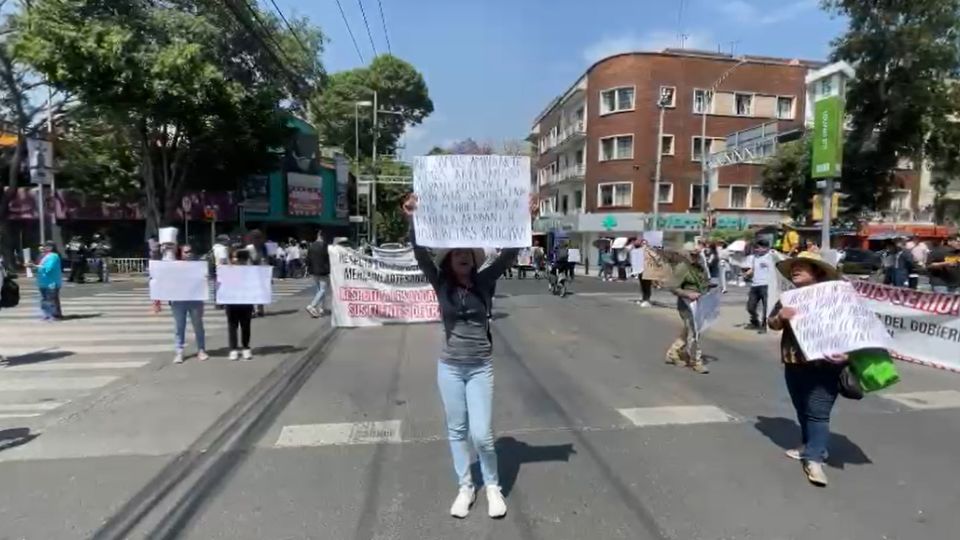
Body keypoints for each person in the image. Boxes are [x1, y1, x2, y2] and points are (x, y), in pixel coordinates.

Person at [402, 192, 536, 520]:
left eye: (467, 253)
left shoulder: (484, 282)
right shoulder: (440, 283)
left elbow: (508, 254)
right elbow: (420, 253)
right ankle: (465, 487)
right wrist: (411, 219)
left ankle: (492, 486)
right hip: (449, 368)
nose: (462, 256)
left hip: (479, 368)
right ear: (449, 260)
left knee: (482, 434)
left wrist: (525, 218)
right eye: (457, 253)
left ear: (474, 260)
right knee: (457, 431)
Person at [767, 251, 846, 487]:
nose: (795, 270)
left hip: (825, 365)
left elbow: (853, 326)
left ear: (818, 272)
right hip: (794, 363)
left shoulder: (836, 297)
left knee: (817, 412)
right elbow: (771, 323)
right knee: (802, 409)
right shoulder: (788, 297)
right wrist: (781, 316)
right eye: (794, 267)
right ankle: (810, 445)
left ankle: (814, 460)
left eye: (802, 266)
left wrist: (847, 352)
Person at [160, 242, 209, 364]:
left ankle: (201, 350)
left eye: (191, 251)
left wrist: (205, 277)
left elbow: (205, 279)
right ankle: (179, 351)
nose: (189, 254)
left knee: (198, 326)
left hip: (195, 300)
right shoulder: (175, 266)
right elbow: (163, 269)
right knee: (179, 327)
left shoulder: (198, 266)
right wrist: (166, 251)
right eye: (186, 252)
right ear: (181, 254)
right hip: (178, 300)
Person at [665, 244, 710, 374]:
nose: (695, 257)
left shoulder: (700, 267)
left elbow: (705, 282)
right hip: (686, 303)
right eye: (692, 254)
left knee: (688, 330)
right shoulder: (682, 268)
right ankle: (696, 361)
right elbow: (673, 287)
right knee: (694, 332)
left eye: (697, 254)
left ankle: (673, 353)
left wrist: (708, 289)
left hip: (699, 302)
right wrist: (687, 294)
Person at [225, 244, 255, 360]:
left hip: (246, 302)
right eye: (233, 257)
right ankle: (233, 349)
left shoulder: (250, 270)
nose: (235, 260)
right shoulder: (227, 271)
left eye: (237, 257)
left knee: (245, 325)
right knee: (232, 326)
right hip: (232, 302)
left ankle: (246, 347)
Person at [743, 239, 774, 333]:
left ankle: (765, 326)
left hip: (767, 285)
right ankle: (755, 321)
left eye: (758, 248)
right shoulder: (754, 257)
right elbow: (753, 269)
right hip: (755, 285)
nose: (756, 249)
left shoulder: (771, 256)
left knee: (766, 308)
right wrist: (747, 274)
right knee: (750, 307)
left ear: (765, 248)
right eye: (756, 248)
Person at [29, 241, 62, 322]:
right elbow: (39, 267)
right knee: (44, 299)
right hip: (43, 281)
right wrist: (32, 266)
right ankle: (47, 314)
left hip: (51, 282)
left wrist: (35, 266)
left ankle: (55, 315)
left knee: (51, 299)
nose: (46, 247)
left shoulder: (54, 256)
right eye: (45, 246)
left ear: (52, 247)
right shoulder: (43, 256)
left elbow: (48, 268)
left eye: (48, 246)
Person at [305, 232, 330, 318]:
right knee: (322, 290)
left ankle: (321, 308)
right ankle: (312, 306)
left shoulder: (311, 246)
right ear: (323, 237)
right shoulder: (325, 246)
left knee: (319, 290)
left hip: (314, 271)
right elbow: (328, 259)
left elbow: (307, 259)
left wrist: (308, 269)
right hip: (323, 271)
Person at [629, 238, 652, 307]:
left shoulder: (648, 251)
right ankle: (644, 298)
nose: (644, 244)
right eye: (643, 243)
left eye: (645, 243)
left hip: (647, 271)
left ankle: (647, 299)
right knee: (643, 286)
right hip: (640, 271)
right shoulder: (635, 251)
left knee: (647, 286)